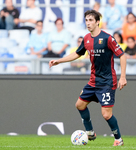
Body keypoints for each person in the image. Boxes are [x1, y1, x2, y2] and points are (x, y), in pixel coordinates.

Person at [49, 10, 127, 146]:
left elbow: (122, 55)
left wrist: (123, 77)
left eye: (91, 20)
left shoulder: (107, 38)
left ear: (98, 22)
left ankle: (118, 139)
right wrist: (59, 61)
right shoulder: (86, 39)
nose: (88, 23)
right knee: (79, 105)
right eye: (86, 20)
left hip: (107, 82)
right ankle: (90, 133)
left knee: (106, 115)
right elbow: (77, 54)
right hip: (93, 81)